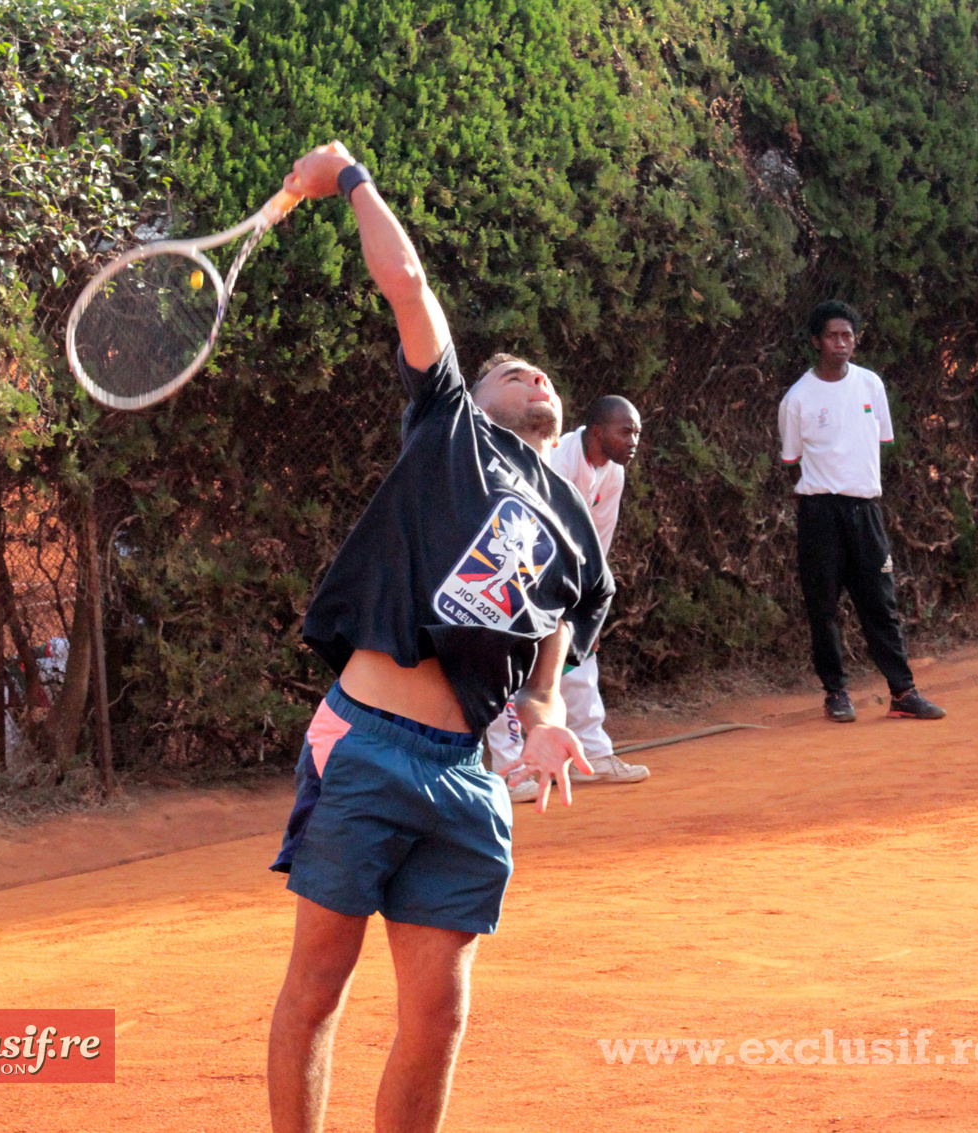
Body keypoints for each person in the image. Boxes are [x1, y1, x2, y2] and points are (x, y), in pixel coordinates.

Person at [266, 142, 614, 1133]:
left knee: (440, 1012)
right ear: (479, 390)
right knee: (319, 982)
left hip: (465, 775)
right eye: (508, 366)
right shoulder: (450, 426)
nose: (529, 371)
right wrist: (349, 179)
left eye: (536, 369)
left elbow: (548, 655)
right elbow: (408, 283)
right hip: (368, 742)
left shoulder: (580, 539)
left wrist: (543, 718)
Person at [778, 300, 945, 723]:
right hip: (820, 513)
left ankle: (903, 693)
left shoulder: (871, 385)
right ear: (817, 341)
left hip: (866, 510)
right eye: (832, 336)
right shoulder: (797, 398)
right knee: (823, 607)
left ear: (856, 339)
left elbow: (879, 441)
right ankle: (836, 693)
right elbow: (791, 458)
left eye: (847, 335)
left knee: (880, 604)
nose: (841, 343)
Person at [486, 395, 650, 802]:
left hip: (564, 583)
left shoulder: (612, 473)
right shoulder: (556, 460)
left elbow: (599, 540)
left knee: (578, 660)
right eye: (625, 431)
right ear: (597, 432)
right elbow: (528, 527)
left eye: (638, 433)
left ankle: (592, 757)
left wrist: (589, 610)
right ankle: (510, 773)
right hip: (519, 574)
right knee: (510, 669)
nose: (633, 441)